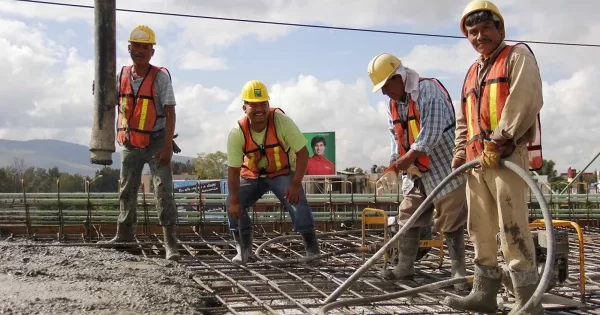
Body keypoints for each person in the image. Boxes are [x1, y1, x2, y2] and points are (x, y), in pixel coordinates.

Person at [443, 1, 544, 314]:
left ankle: (527, 301)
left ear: (500, 28)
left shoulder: (516, 57)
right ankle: (484, 293)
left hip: (506, 157)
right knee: (481, 230)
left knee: (513, 228)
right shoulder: (473, 71)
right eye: (472, 32)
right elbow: (465, 119)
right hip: (477, 163)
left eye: (486, 28)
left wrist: (500, 138)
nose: (479, 36)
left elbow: (525, 98)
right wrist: (460, 152)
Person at [367, 53, 468, 290]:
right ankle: (405, 267)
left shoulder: (428, 92)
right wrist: (395, 161)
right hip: (416, 171)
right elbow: (396, 136)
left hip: (443, 166)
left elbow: (430, 134)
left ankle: (458, 273)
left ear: (398, 77)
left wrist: (406, 159)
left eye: (385, 86)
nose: (383, 92)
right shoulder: (393, 103)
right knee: (408, 215)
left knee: (451, 219)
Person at [98, 25, 180, 262]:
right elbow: (110, 99)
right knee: (126, 190)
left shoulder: (159, 77)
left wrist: (166, 146)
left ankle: (170, 244)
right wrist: (100, 89)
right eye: (137, 46)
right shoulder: (122, 74)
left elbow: (170, 113)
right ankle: (124, 237)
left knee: (163, 190)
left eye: (146, 48)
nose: (140, 51)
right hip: (131, 142)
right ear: (129, 48)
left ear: (152, 52)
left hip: (156, 141)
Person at [225, 79, 320, 264]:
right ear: (245, 108)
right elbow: (233, 170)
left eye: (263, 104)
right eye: (254, 104)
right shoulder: (237, 133)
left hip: (281, 173)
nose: (260, 109)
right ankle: (244, 250)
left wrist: (294, 184)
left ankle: (312, 250)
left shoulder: (281, 122)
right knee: (231, 201)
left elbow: (302, 152)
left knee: (297, 201)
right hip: (252, 175)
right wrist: (234, 200)